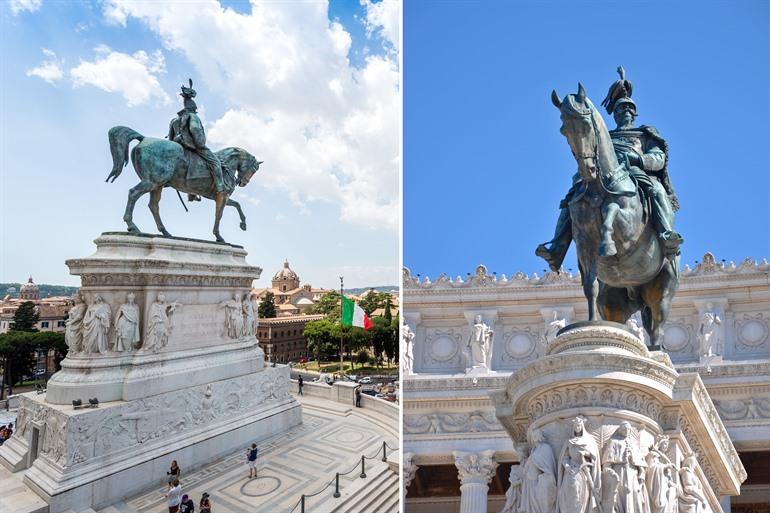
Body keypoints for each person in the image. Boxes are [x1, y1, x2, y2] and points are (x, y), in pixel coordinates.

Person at [537, 66, 682, 271]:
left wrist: (638, 159)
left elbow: (659, 158)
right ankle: (557, 246)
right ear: (614, 115)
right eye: (621, 109)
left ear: (635, 112)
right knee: (573, 197)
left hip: (637, 175)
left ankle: (667, 235)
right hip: (607, 176)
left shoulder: (644, 134)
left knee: (657, 191)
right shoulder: (607, 137)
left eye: (629, 109)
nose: (625, 112)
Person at [168, 79, 226, 201]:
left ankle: (192, 193)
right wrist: (201, 144)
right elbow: (195, 129)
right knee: (215, 162)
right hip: (192, 145)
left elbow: (170, 138)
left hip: (178, 145)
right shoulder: (193, 116)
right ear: (194, 108)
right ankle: (220, 188)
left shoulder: (174, 120)